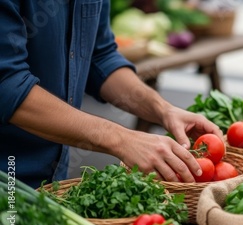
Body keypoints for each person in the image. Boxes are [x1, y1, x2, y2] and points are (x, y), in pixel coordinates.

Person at [0, 1, 223, 188]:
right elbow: (7, 84)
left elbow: (100, 56)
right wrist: (121, 139)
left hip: (53, 178)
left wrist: (163, 110)